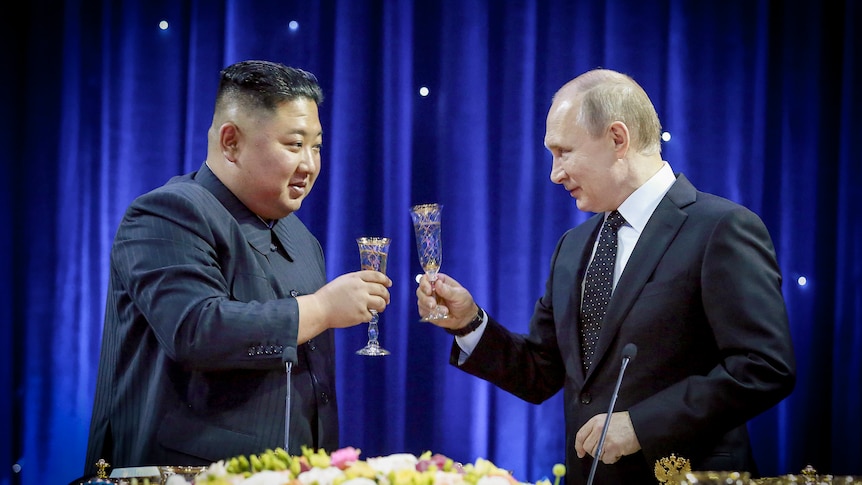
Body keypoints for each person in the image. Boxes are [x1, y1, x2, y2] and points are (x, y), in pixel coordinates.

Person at [415, 68, 796, 484]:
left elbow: (763, 367)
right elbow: (541, 372)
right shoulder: (573, 247)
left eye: (564, 152)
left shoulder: (720, 228)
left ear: (618, 139)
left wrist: (641, 425)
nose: (554, 174)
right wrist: (469, 323)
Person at [82, 60, 392, 478]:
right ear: (231, 142)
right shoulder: (168, 212)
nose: (310, 164)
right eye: (294, 144)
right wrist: (319, 310)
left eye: (317, 146)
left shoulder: (301, 239)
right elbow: (195, 330)